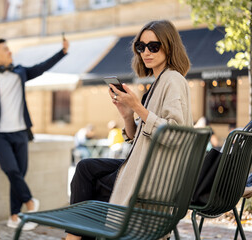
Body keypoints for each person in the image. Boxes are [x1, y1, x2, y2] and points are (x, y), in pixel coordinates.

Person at [66, 19, 193, 240]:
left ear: (169, 46)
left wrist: (137, 107)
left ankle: (74, 237)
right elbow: (141, 138)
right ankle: (77, 236)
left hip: (154, 177)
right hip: (146, 167)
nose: (146, 52)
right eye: (141, 47)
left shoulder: (172, 80)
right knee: (87, 168)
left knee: (87, 177)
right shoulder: (159, 82)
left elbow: (175, 135)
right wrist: (127, 115)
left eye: (154, 46)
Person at [0, 37, 69, 230]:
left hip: (21, 133)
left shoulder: (20, 72)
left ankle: (14, 217)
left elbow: (42, 67)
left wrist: (62, 52)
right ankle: (30, 203)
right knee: (12, 170)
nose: (10, 52)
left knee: (19, 175)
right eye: (5, 49)